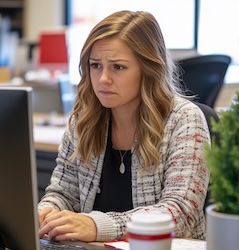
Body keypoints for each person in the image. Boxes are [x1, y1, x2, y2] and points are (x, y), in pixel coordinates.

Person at [38, 10, 210, 243]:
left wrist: (96, 225)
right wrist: (47, 212)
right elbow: (63, 193)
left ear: (148, 70)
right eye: (95, 65)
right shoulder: (83, 120)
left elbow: (180, 212)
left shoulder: (184, 120)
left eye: (118, 67)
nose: (103, 79)